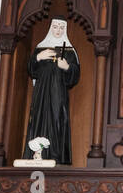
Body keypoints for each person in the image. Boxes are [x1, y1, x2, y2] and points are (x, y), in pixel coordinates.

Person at [23, 18, 80, 163]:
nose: (58, 30)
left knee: (57, 120)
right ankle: (37, 155)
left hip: (58, 93)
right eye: (55, 27)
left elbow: (75, 73)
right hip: (41, 93)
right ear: (50, 28)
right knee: (39, 119)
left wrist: (67, 67)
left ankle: (56, 157)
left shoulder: (69, 50)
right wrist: (37, 57)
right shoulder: (41, 47)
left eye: (61, 28)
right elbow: (31, 70)